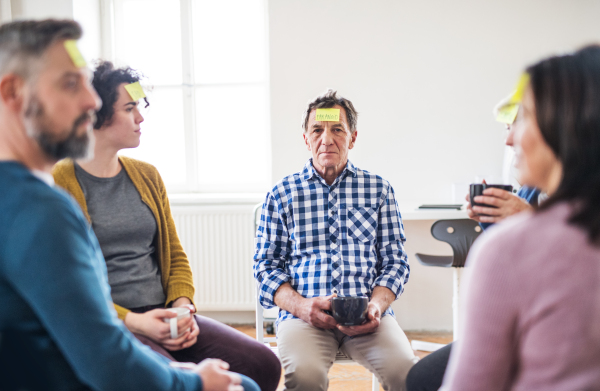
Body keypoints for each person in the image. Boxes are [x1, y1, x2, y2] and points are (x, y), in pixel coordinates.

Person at [0, 19, 257, 391]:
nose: (90, 102)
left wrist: (181, 310)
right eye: (70, 84)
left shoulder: (29, 198)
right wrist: (193, 383)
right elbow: (106, 359)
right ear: (13, 93)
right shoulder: (43, 210)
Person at [53, 60, 281, 391]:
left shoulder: (146, 175)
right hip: (114, 322)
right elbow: (68, 284)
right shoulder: (60, 180)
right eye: (130, 108)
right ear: (95, 115)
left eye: (139, 107)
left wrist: (182, 306)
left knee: (262, 363)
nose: (140, 118)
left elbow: (173, 252)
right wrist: (136, 322)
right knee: (185, 378)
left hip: (165, 314)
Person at [441, 45, 600, 389]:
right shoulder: (523, 208)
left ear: (564, 127)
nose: (510, 138)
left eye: (523, 117)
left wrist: (526, 225)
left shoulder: (508, 252)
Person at [254, 89, 418, 391]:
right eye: (317, 129)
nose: (326, 139)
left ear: (353, 137)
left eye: (337, 130)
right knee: (304, 377)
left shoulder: (378, 190)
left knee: (408, 374)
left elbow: (395, 262)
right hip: (303, 317)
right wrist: (302, 307)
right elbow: (265, 268)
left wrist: (377, 306)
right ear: (306, 138)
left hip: (369, 318)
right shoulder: (281, 195)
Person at [406, 90, 542, 391]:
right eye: (507, 129)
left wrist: (530, 219)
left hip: (541, 335)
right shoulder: (531, 190)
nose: (508, 141)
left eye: (516, 126)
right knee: (419, 377)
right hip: (515, 328)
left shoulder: (576, 200)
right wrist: (491, 221)